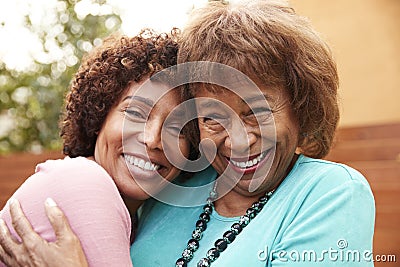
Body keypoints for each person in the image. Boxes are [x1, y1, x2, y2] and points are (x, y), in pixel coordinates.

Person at [0, 0, 375, 266]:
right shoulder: (174, 190)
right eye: (214, 117)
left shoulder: (330, 193)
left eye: (258, 111)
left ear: (301, 109)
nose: (239, 137)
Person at [0, 30, 195, 266]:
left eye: (179, 128)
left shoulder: (137, 218)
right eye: (134, 112)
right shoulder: (87, 182)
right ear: (99, 116)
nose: (153, 139)